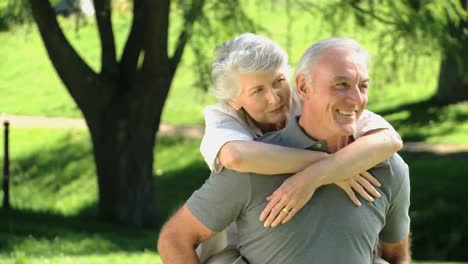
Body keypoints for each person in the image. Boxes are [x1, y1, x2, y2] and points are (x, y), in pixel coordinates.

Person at [158, 36, 411, 264]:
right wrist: (328, 166)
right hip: (232, 238)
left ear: (293, 82)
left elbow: (389, 140)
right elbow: (236, 157)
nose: (274, 98)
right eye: (257, 90)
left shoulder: (379, 158)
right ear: (234, 102)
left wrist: (318, 174)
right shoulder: (236, 143)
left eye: (278, 82)